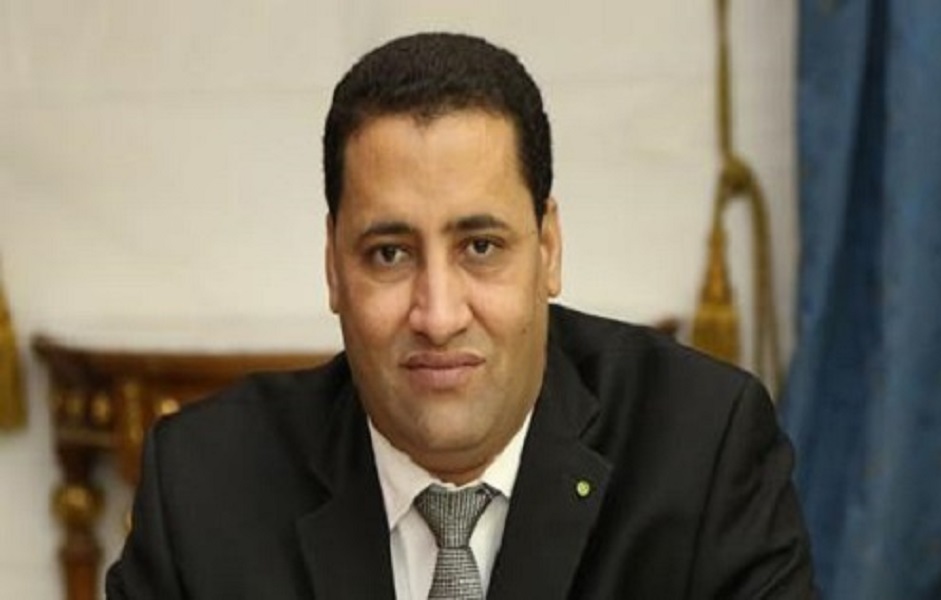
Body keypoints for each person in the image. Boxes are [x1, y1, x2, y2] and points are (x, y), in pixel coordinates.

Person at [106, 32, 815, 599]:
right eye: (389, 254)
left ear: (548, 250)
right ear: (333, 267)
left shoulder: (701, 449)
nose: (438, 316)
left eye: (480, 247)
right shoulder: (205, 486)